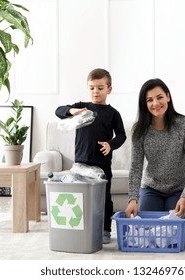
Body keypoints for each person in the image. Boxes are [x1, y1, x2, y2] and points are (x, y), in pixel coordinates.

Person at [55, 68, 126, 244]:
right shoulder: (82, 107)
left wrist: (111, 145)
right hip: (80, 162)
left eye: (100, 88)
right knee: (80, 197)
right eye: (92, 88)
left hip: (102, 164)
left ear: (109, 89)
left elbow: (122, 135)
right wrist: (72, 111)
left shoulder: (113, 113)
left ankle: (105, 230)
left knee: (103, 198)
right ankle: (81, 228)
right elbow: (58, 110)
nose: (96, 92)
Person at [125, 78, 185, 221]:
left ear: (168, 96)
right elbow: (136, 168)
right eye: (149, 100)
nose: (155, 103)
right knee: (147, 229)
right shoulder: (139, 130)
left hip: (179, 189)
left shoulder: (184, 125)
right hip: (151, 189)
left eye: (159, 97)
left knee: (175, 231)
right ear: (144, 103)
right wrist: (133, 199)